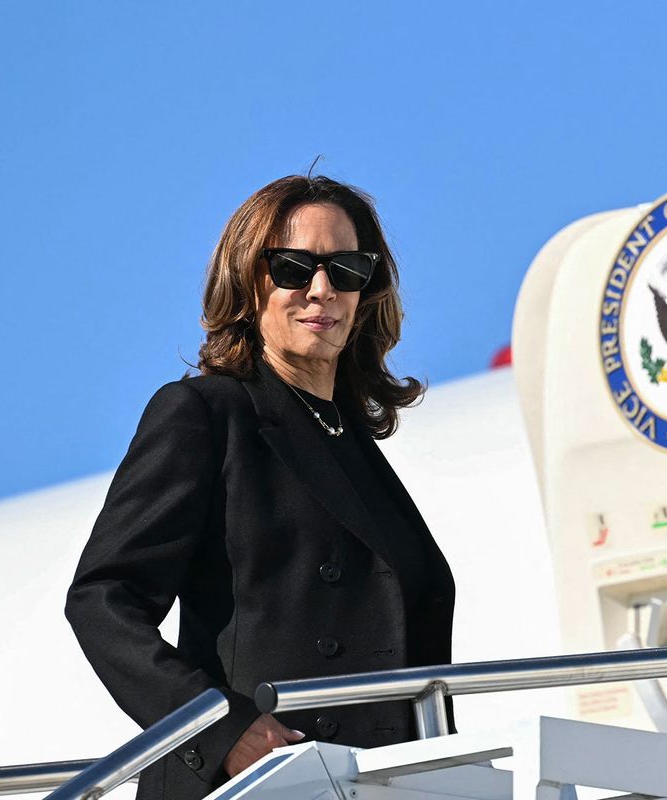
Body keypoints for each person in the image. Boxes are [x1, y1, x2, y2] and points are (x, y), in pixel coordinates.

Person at [64, 174, 456, 800]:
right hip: (253, 783)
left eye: (346, 269)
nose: (321, 290)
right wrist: (223, 731)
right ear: (248, 281)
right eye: (293, 266)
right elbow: (102, 599)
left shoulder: (350, 442)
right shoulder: (204, 413)